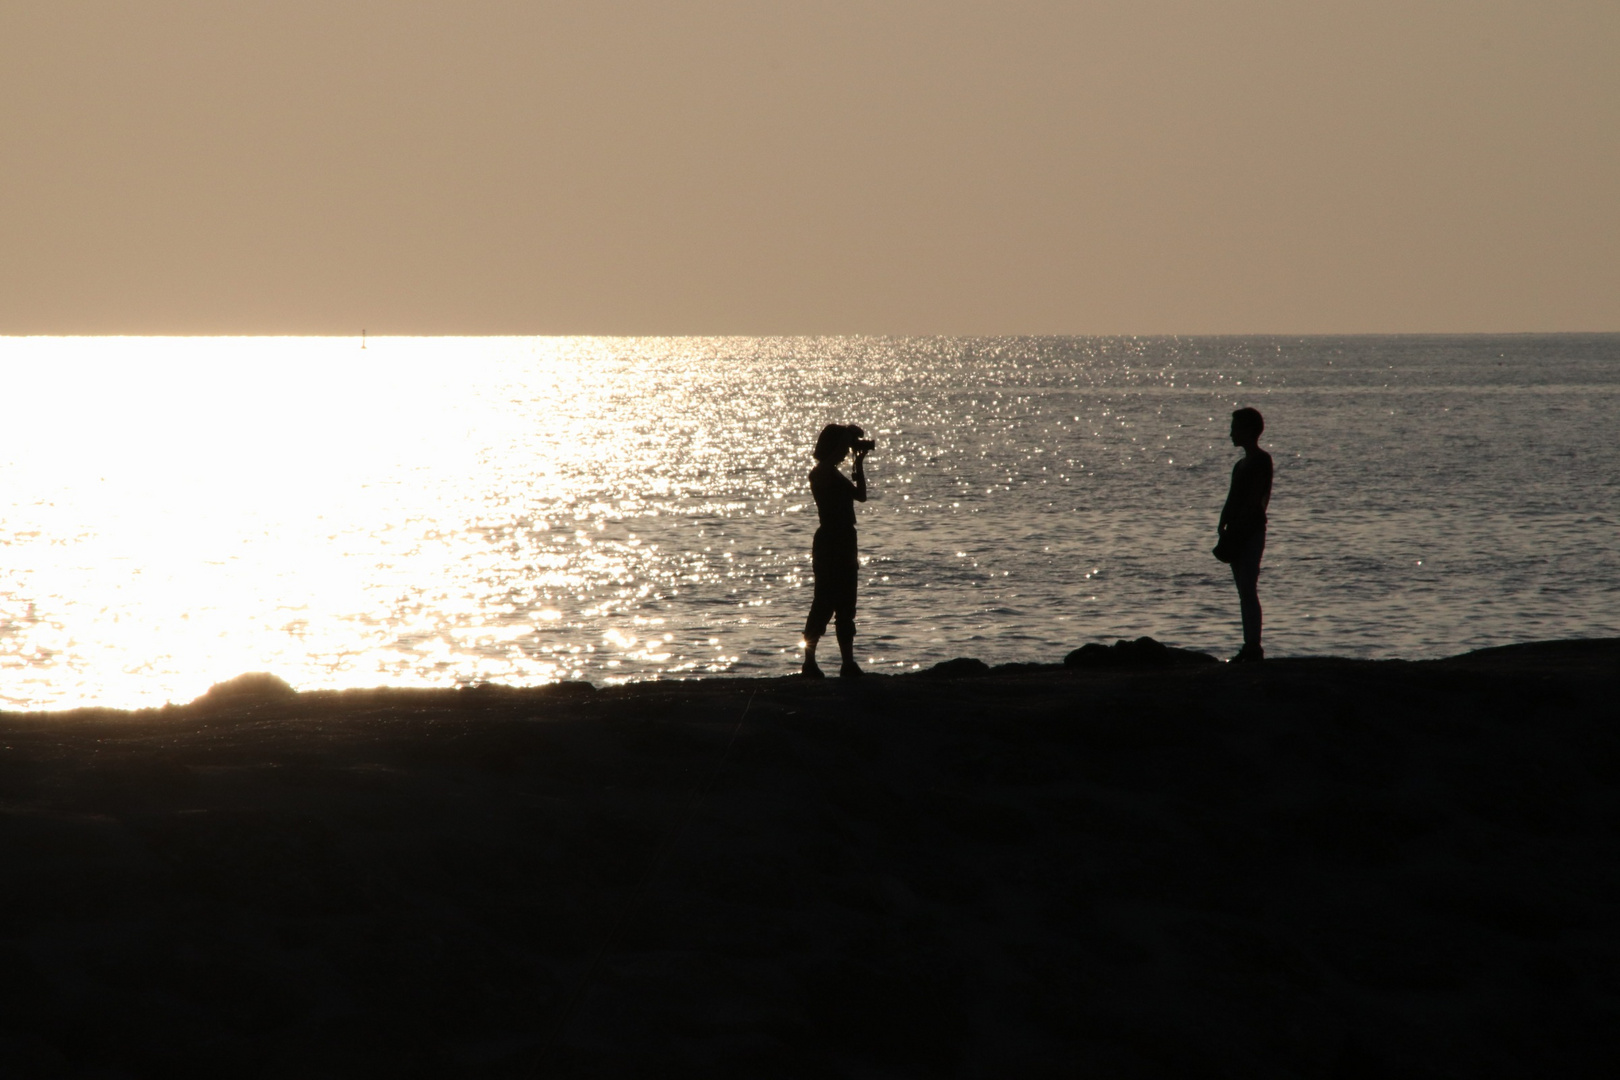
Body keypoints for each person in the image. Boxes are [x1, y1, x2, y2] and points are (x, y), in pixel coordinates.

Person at [802, 423, 871, 678]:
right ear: (832, 446)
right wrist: (847, 438)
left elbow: (861, 496)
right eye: (842, 446)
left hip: (844, 538)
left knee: (845, 602)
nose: (845, 451)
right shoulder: (821, 473)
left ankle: (847, 663)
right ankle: (809, 661)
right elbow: (854, 494)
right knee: (823, 601)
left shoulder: (831, 472)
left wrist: (859, 465)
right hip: (831, 538)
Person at [1216, 407, 1273, 662]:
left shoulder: (1261, 460)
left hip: (1250, 531)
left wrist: (1236, 525)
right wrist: (1223, 523)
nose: (1230, 433)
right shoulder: (1240, 464)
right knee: (1243, 590)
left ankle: (1253, 646)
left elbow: (1254, 501)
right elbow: (1231, 499)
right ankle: (1249, 644)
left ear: (1249, 431)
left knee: (1248, 588)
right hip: (1237, 531)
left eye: (1235, 428)